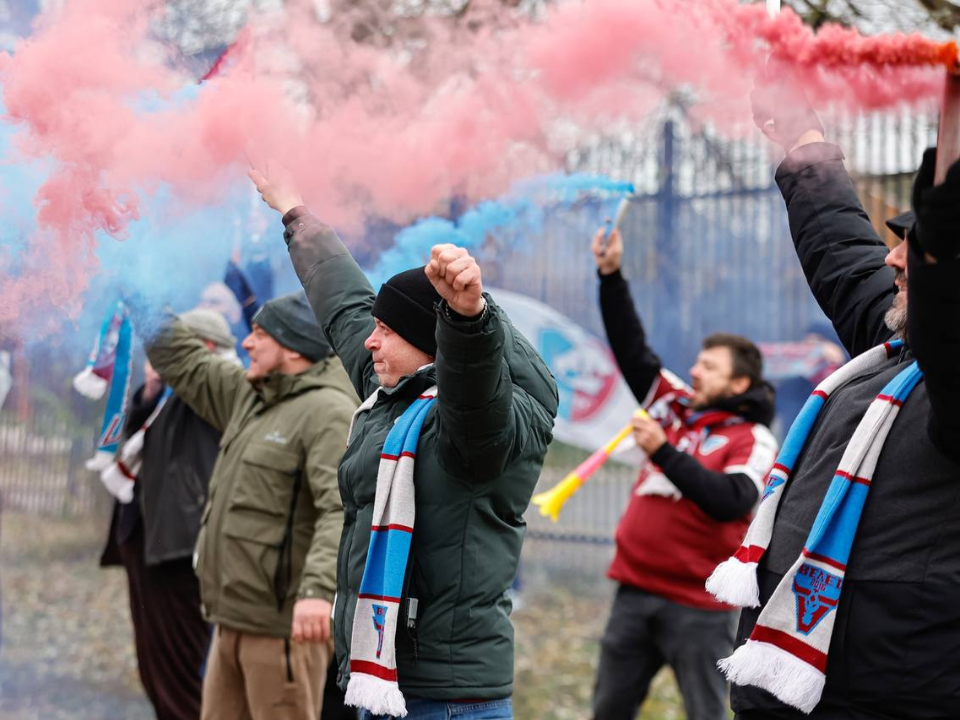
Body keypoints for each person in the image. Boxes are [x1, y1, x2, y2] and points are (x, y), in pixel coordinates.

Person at [248, 167, 559, 720]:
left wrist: (467, 319)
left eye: (386, 331)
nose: (369, 340)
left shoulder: (479, 418)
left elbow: (472, 396)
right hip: (382, 682)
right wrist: (295, 211)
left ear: (431, 345)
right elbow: (342, 301)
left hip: (445, 701)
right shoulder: (394, 392)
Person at [715, 90, 960, 720]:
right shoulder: (896, 347)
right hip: (790, 685)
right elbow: (844, 256)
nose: (893, 257)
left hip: (881, 697)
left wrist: (942, 254)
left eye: (916, 246)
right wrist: (804, 143)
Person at [135, 291, 359, 720]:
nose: (246, 344)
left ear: (292, 347)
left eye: (260, 335)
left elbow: (340, 510)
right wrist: (135, 293)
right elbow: (184, 359)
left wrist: (317, 592)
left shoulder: (328, 412)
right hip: (231, 622)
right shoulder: (251, 395)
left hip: (282, 631)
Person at [589, 227, 779, 720]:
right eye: (696, 362)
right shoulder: (676, 406)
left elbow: (733, 498)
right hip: (633, 592)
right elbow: (634, 353)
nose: (694, 371)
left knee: (706, 712)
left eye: (709, 367)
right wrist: (610, 277)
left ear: (739, 382)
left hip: (699, 609)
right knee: (608, 709)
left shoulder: (752, 439)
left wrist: (664, 452)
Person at [100, 309, 236, 720]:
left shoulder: (219, 389)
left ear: (205, 350)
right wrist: (151, 390)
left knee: (180, 675)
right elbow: (140, 439)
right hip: (148, 544)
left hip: (181, 550)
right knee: (154, 670)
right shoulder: (171, 393)